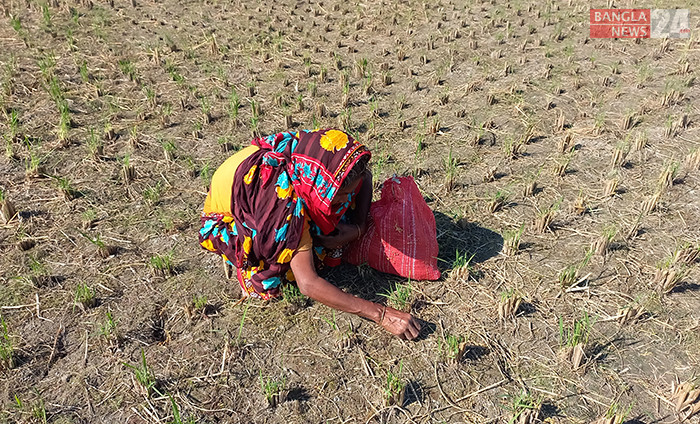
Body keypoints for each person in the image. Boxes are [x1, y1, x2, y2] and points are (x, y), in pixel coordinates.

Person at [199, 128, 421, 340]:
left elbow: (366, 178)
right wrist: (380, 314)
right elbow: (308, 283)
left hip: (266, 189)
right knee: (281, 272)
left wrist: (358, 228)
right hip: (230, 215)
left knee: (335, 219)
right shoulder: (285, 209)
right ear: (319, 187)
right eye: (340, 196)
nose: (345, 200)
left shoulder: (317, 159)